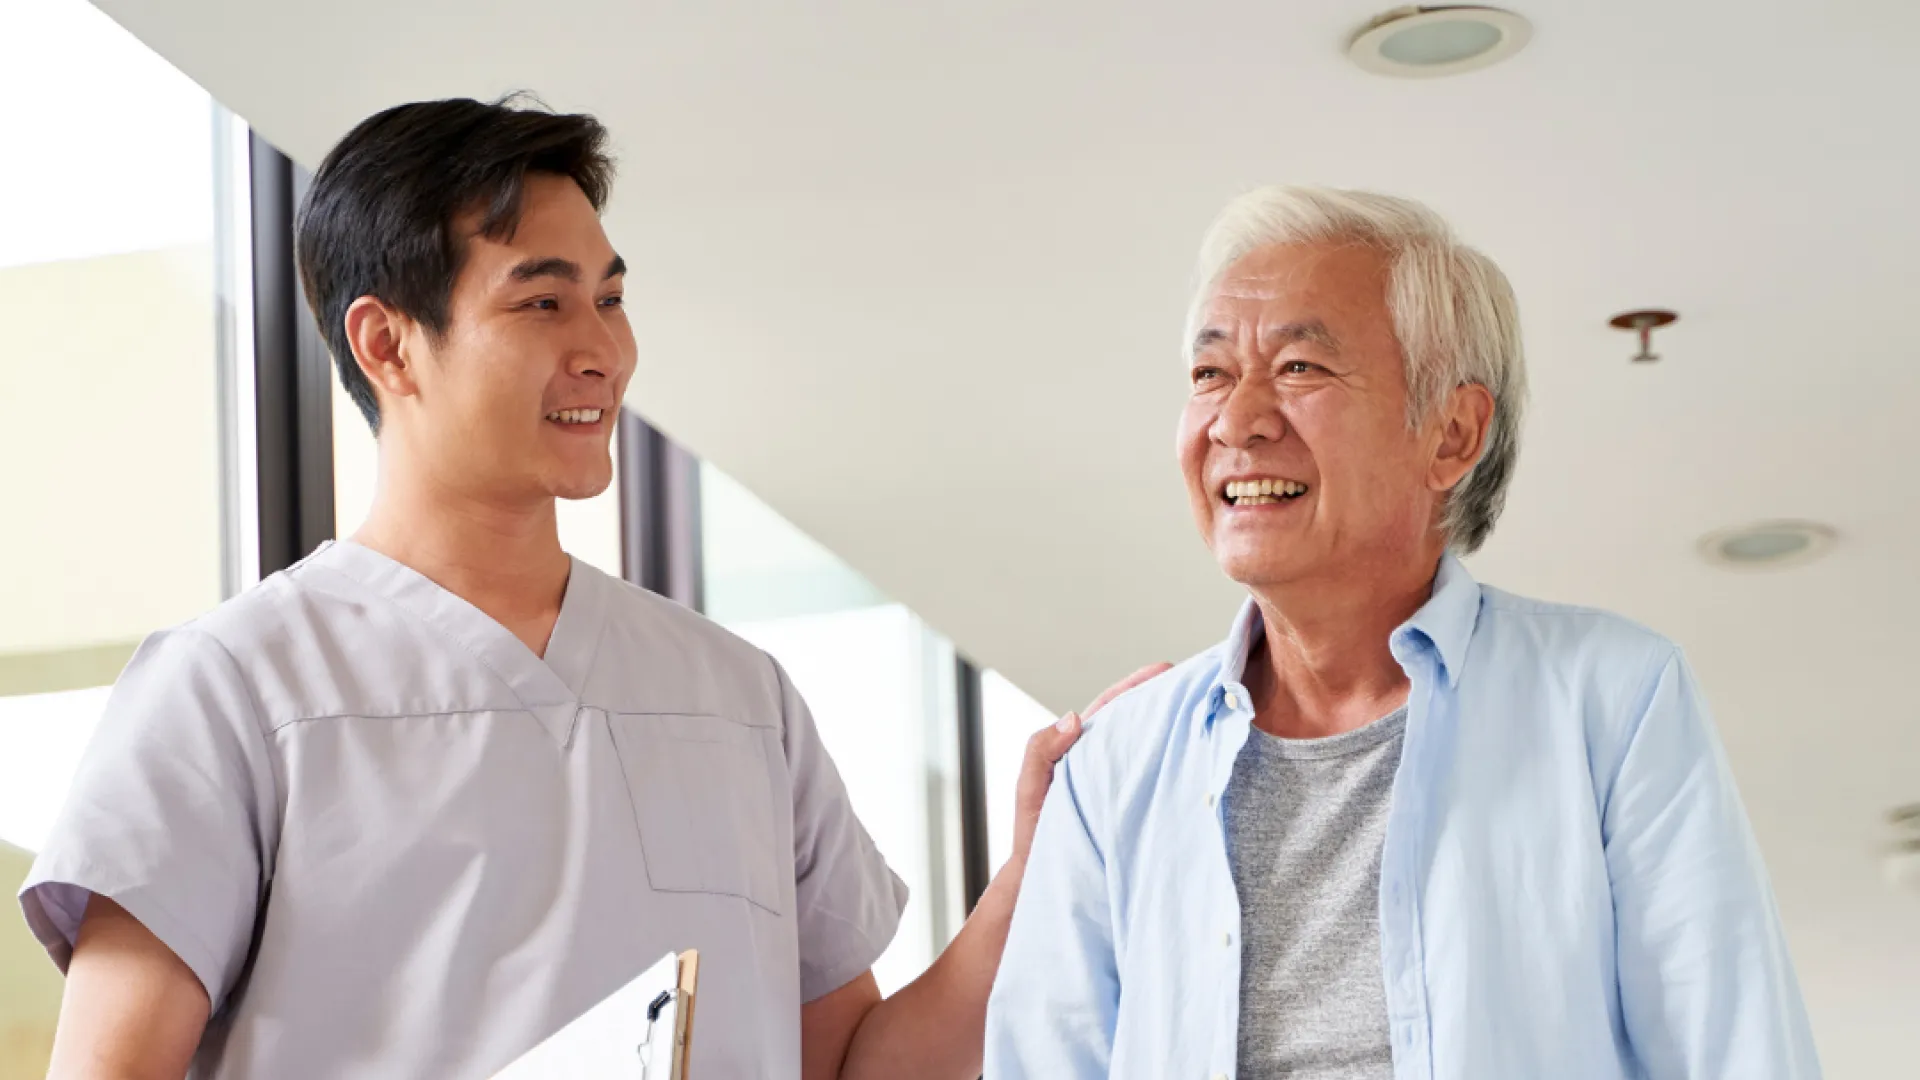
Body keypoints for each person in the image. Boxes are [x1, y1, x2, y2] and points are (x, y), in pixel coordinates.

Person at [19, 96, 1159, 1080]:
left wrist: (1031, 879)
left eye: (610, 300)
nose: (603, 350)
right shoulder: (231, 691)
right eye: (542, 302)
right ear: (387, 343)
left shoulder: (738, 698)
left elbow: (854, 1063)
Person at [985, 186, 1820, 1079]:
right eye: (1211, 374)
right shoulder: (1114, 766)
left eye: (1301, 368)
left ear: (1453, 435)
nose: (1238, 420)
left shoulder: (1614, 700)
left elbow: (1737, 1054)